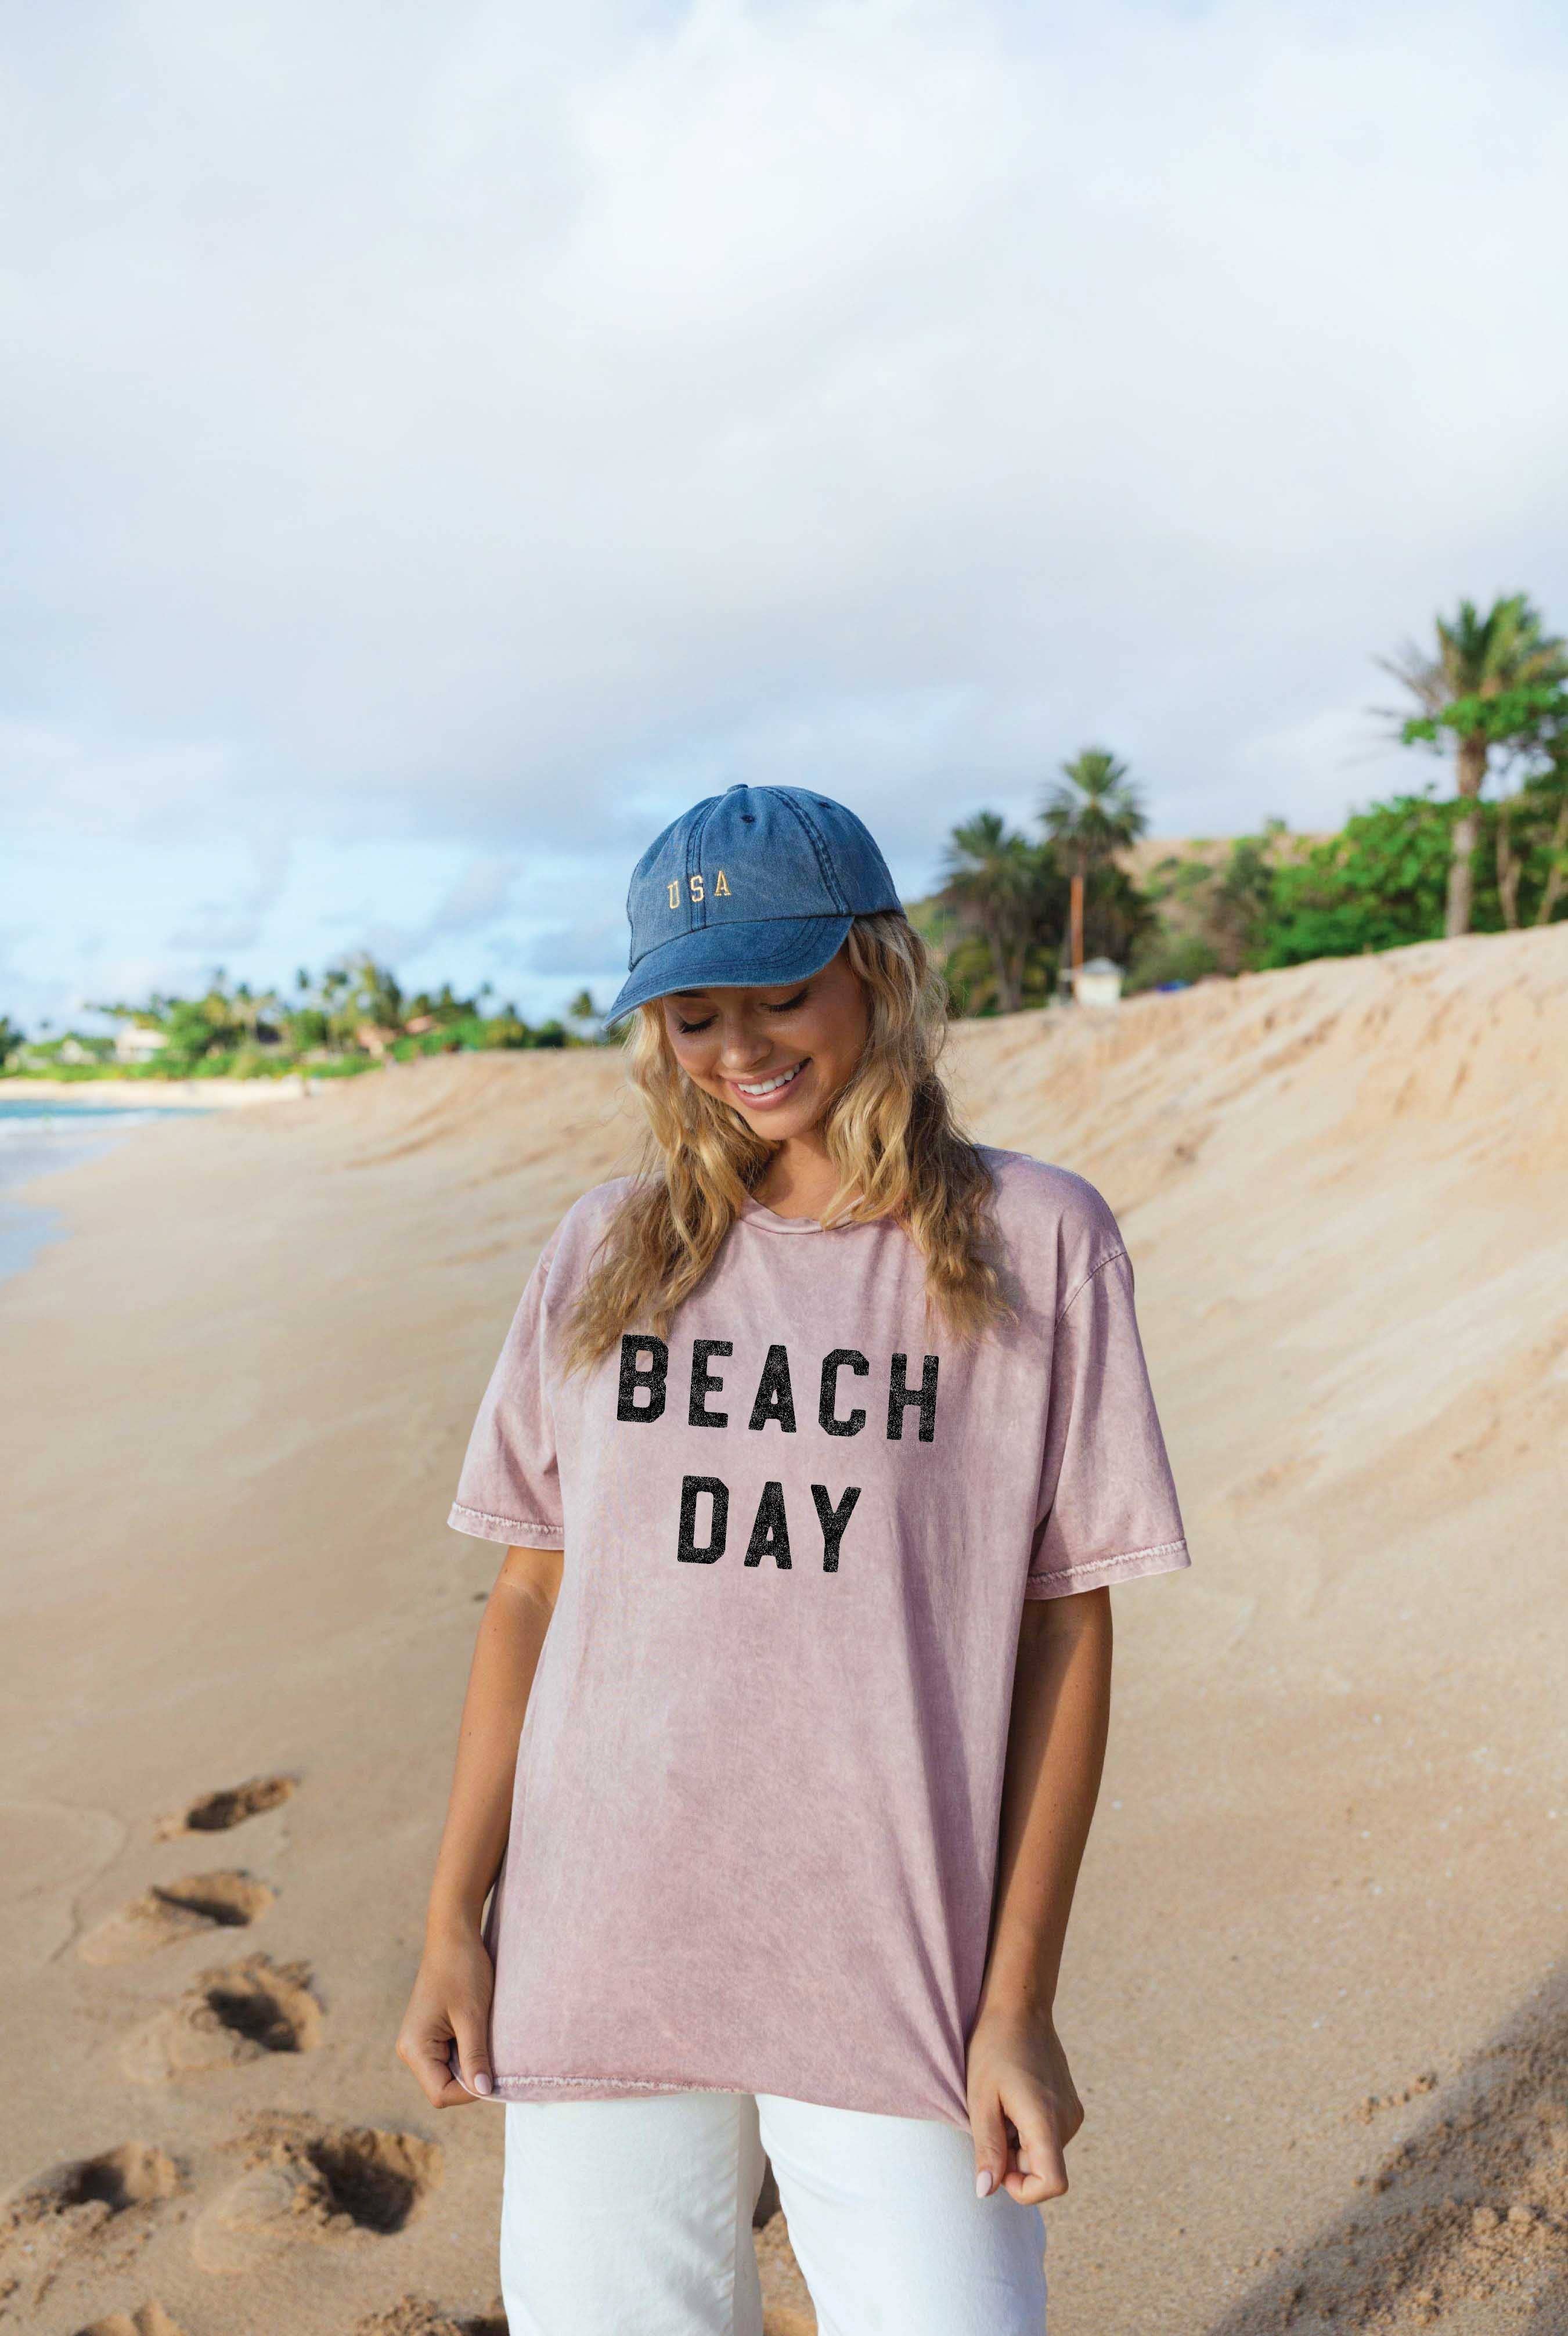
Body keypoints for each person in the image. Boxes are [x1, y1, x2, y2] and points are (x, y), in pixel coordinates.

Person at [396, 784, 1189, 2335]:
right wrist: (449, 1923)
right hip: (598, 1934)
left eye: (780, 994)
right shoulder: (604, 1249)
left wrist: (1019, 2001)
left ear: (876, 972)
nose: (741, 1048)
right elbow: (532, 1594)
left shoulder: (1037, 1241)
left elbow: (1064, 1632)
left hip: (894, 1956)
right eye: (695, 1015)